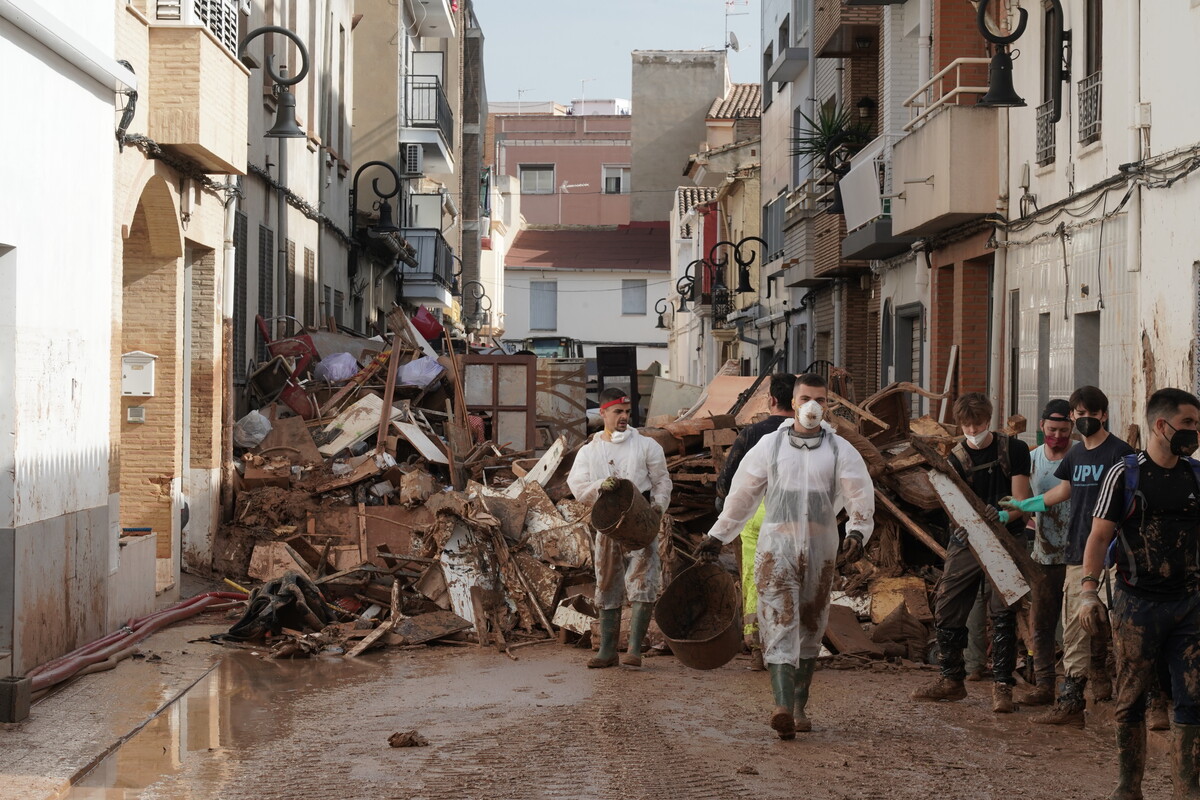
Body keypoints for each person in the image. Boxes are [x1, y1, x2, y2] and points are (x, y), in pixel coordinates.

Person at [695, 373, 874, 739]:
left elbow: (860, 494)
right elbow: (742, 496)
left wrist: (857, 531)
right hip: (777, 550)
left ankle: (799, 706)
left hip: (822, 552)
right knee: (778, 621)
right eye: (806, 398)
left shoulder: (840, 450)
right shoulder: (769, 447)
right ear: (792, 403)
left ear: (828, 405)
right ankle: (781, 706)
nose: (813, 406)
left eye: (821, 400)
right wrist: (717, 535)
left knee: (810, 625)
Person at [1078, 388, 1200, 800]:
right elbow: (1098, 537)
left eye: (1197, 426)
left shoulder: (1196, 476)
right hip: (1136, 603)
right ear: (1160, 425)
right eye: (1188, 424)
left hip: (1190, 605)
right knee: (1129, 699)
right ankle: (1128, 788)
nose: (1194, 433)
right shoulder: (1126, 474)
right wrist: (1088, 592)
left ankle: (1187, 789)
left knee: (1192, 699)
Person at [1002, 386, 1133, 723]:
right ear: (1074, 415)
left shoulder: (1121, 453)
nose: (1085, 419)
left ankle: (1136, 703)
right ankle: (1072, 703)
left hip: (1118, 554)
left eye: (1092, 414)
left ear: (1103, 415)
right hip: (1078, 551)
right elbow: (1061, 491)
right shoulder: (1077, 457)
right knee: (1075, 629)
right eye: (1080, 414)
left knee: (1123, 627)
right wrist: (1023, 505)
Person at [911, 392, 1032, 713]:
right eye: (965, 424)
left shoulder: (1014, 450)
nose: (972, 429)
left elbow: (1022, 497)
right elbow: (952, 503)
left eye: (977, 423)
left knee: (1003, 609)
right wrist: (959, 526)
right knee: (948, 604)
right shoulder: (955, 459)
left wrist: (1004, 512)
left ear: (988, 419)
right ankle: (951, 678)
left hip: (1006, 538)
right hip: (967, 539)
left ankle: (1003, 686)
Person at [567, 388, 672, 669]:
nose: (624, 417)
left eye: (627, 412)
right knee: (607, 582)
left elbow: (662, 480)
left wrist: (658, 507)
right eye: (618, 412)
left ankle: (635, 650)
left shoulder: (647, 446)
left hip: (641, 523)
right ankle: (607, 651)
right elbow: (576, 486)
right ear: (603, 413)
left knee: (643, 582)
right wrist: (600, 486)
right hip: (609, 525)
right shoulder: (590, 451)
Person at [715, 372, 797, 671]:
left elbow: (726, 481)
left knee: (754, 577)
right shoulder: (809, 434)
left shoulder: (752, 434)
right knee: (791, 579)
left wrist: (724, 510)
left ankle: (757, 648)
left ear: (771, 399)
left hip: (756, 515)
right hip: (795, 516)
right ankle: (789, 648)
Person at [1013, 399, 1075, 705]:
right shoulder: (1033, 459)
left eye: (1064, 430)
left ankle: (1075, 680)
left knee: (1078, 618)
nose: (1058, 436)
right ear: (1041, 427)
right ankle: (1043, 679)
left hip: (1079, 549)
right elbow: (1022, 500)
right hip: (1044, 549)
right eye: (1052, 429)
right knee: (1043, 615)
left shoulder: (1080, 455)